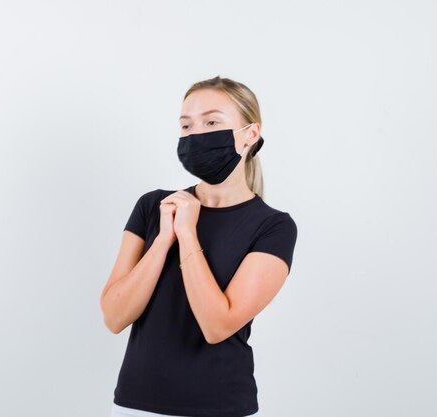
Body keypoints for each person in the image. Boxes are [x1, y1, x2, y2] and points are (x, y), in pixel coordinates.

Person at [99, 75, 298, 417]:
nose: (197, 134)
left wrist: (188, 233)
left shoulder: (273, 227)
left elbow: (217, 326)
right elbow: (115, 317)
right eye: (187, 126)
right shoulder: (154, 206)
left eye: (212, 122)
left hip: (217, 407)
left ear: (250, 134)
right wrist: (163, 240)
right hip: (134, 405)